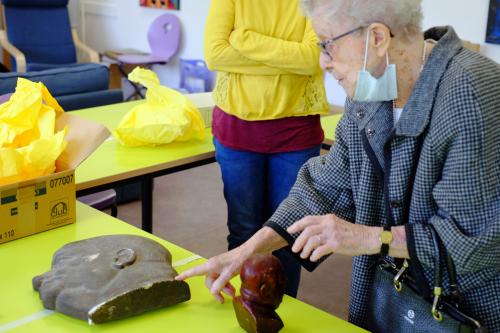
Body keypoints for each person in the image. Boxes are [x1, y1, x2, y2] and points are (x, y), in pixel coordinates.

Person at [178, 0, 500, 331]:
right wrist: (248, 250)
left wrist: (369, 237)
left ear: (377, 37)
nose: (322, 62)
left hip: (460, 314)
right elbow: (328, 185)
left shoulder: (471, 94)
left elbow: (474, 241)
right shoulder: (371, 85)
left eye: (327, 45)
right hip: (394, 300)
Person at [204, 0, 330, 297]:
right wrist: (287, 56)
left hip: (295, 133)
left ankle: (280, 312)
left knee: (289, 235)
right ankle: (246, 307)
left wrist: (246, 39)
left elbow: (313, 58)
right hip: (236, 130)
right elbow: (215, 54)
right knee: (243, 229)